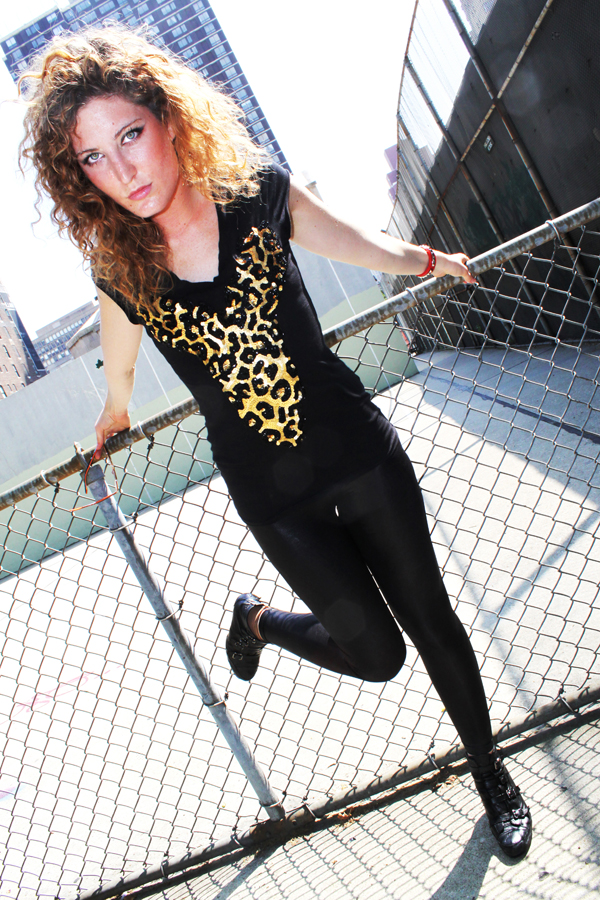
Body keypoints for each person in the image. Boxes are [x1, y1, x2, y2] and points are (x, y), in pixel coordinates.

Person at [21, 26, 532, 859]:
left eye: (131, 135)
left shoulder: (257, 194)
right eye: (93, 159)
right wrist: (112, 417)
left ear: (168, 119)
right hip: (274, 495)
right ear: (79, 177)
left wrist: (430, 260)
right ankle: (255, 621)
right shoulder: (123, 271)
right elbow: (119, 370)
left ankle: (490, 774)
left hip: (357, 450)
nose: (123, 170)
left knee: (433, 622)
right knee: (376, 655)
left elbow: (360, 242)